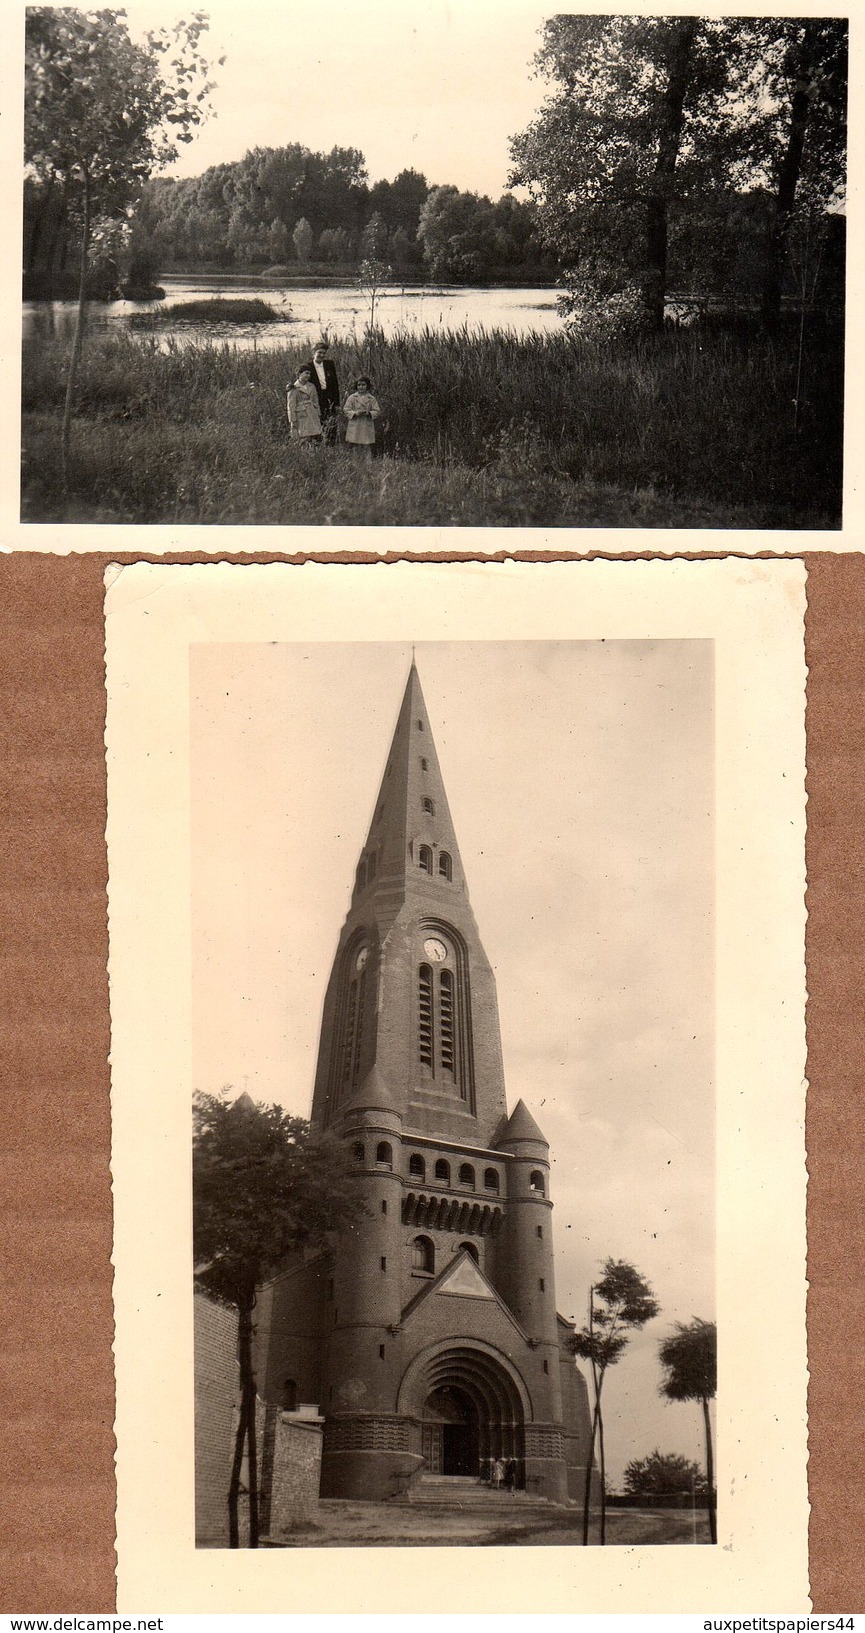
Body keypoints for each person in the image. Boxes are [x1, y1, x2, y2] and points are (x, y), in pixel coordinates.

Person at [305, 339, 340, 444]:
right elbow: (301, 381)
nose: (322, 355)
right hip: (316, 397)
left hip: (330, 396)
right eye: (319, 352)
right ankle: (319, 444)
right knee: (318, 421)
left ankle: (331, 445)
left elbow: (335, 384)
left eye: (324, 353)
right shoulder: (308, 366)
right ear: (314, 352)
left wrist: (337, 403)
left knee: (332, 421)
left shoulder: (330, 364)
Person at [342, 375, 381, 457]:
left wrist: (369, 413)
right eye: (359, 385)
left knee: (366, 445)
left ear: (367, 386)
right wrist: (355, 413)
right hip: (356, 424)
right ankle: (356, 464)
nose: (361, 387)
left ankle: (367, 465)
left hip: (366, 424)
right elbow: (346, 410)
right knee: (355, 445)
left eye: (363, 385)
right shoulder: (352, 398)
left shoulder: (371, 398)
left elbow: (377, 411)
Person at [286, 365, 322, 449]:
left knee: (314, 435)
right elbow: (291, 406)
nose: (308, 376)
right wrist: (292, 420)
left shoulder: (311, 386)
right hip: (301, 415)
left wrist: (318, 413)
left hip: (312, 413)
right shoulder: (293, 388)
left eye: (309, 374)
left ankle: (314, 452)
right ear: (299, 374)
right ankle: (305, 453)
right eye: (306, 373)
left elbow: (315, 401)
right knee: (303, 436)